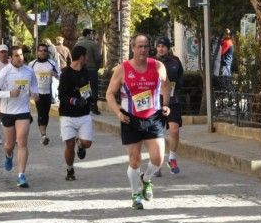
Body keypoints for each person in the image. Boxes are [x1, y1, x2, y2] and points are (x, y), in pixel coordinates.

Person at [105, 34, 171, 210]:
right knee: (134, 161)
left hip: (153, 117)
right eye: (139, 46)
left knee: (157, 159)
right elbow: (109, 94)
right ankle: (135, 196)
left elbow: (166, 85)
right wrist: (118, 113)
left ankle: (146, 179)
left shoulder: (158, 66)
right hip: (130, 118)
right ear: (132, 48)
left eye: (146, 46)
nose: (143, 50)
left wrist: (165, 105)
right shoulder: (123, 69)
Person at [0, 46, 39, 188]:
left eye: (21, 55)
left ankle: (21, 176)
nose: (20, 58)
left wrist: (35, 95)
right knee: (9, 145)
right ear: (11, 58)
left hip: (23, 111)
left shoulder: (29, 71)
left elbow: (34, 87)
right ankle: (9, 155)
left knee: (22, 142)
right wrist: (8, 94)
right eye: (16, 55)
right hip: (8, 112)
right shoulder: (5, 72)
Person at [58, 45, 94, 181]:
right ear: (81, 57)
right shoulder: (65, 74)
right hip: (67, 115)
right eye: (86, 56)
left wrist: (87, 98)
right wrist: (75, 101)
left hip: (84, 115)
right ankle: (70, 169)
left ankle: (81, 144)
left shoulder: (85, 72)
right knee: (69, 144)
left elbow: (86, 90)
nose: (87, 59)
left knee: (87, 143)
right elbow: (62, 96)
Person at [153, 37, 184, 176]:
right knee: (156, 134)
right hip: (156, 101)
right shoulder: (151, 62)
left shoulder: (175, 61)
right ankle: (156, 163)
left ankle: (172, 158)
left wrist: (176, 89)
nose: (161, 48)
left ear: (168, 47)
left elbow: (180, 78)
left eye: (163, 46)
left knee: (174, 130)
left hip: (173, 100)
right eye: (158, 46)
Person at [28, 43, 60, 145]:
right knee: (41, 113)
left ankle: (43, 132)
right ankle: (43, 135)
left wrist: (56, 74)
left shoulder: (52, 63)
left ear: (47, 52)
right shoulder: (32, 64)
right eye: (40, 50)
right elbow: (27, 79)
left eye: (44, 51)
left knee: (45, 114)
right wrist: (31, 92)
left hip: (48, 92)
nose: (42, 52)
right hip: (37, 93)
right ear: (37, 52)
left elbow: (60, 76)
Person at [76, 28, 102, 115]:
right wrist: (97, 67)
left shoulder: (78, 44)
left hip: (81, 69)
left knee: (84, 87)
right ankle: (94, 106)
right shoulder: (92, 44)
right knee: (94, 88)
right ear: (87, 35)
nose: (92, 36)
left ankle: (85, 105)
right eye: (91, 34)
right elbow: (98, 58)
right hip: (92, 69)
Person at [42, 38, 60, 104]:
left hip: (52, 69)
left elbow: (49, 60)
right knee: (55, 83)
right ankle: (56, 97)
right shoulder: (53, 47)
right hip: (56, 68)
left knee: (52, 84)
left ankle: (53, 99)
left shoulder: (49, 49)